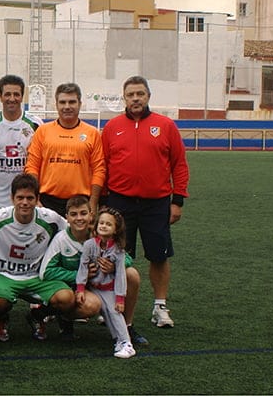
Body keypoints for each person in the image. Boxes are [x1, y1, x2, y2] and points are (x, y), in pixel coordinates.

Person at [101, 75, 189, 329]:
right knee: (116, 256)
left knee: (159, 256)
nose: (136, 98)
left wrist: (178, 200)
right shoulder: (112, 127)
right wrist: (105, 203)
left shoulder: (166, 125)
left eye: (140, 93)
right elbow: (103, 165)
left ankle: (160, 306)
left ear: (148, 96)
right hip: (120, 202)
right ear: (124, 98)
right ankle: (112, 304)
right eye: (131, 95)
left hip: (156, 203)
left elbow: (179, 164)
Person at [0, 173, 67, 342]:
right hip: (4, 275)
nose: (25, 202)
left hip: (37, 276)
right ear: (12, 198)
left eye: (30, 198)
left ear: (37, 199)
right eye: (20, 197)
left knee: (66, 299)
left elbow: (71, 232)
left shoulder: (50, 219)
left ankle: (37, 315)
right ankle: (2, 318)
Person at [39, 195, 147, 345]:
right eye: (74, 214)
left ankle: (127, 326)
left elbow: (125, 257)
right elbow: (46, 272)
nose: (79, 218)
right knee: (91, 306)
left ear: (91, 215)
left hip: (99, 282)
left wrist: (113, 265)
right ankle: (63, 318)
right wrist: (79, 274)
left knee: (132, 274)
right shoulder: (61, 239)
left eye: (83, 213)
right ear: (67, 218)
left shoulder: (100, 232)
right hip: (73, 286)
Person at [25, 82, 105, 216]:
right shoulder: (43, 131)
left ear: (80, 104)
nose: (67, 106)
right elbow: (32, 167)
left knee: (78, 238)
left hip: (80, 203)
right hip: (47, 202)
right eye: (62, 102)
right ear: (56, 105)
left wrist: (92, 202)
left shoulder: (92, 133)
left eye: (72, 102)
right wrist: (35, 197)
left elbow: (99, 170)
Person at [75, 207, 136, 358]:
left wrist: (120, 297)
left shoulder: (118, 250)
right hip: (93, 288)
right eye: (101, 223)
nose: (103, 226)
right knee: (107, 314)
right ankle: (118, 340)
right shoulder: (89, 245)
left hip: (109, 288)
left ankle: (127, 344)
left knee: (114, 312)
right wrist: (81, 288)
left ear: (116, 230)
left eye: (108, 224)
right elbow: (83, 266)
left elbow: (121, 275)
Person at [0, 75, 41, 209]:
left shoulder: (36, 124)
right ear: (0, 96)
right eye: (7, 94)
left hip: (27, 197)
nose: (12, 99)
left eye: (16, 94)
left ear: (22, 97)